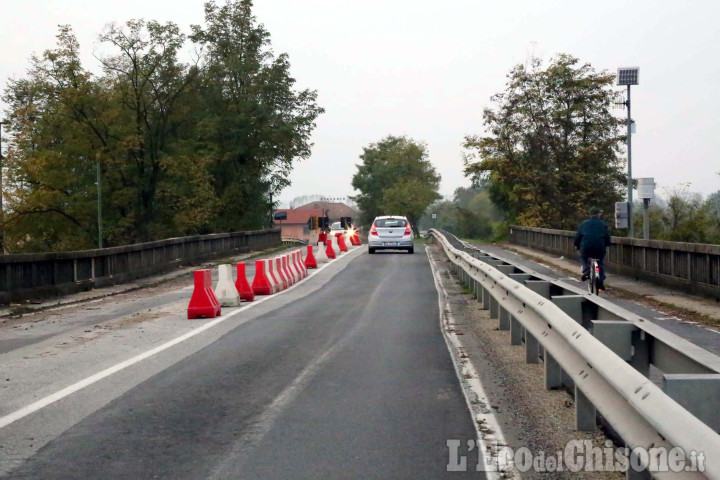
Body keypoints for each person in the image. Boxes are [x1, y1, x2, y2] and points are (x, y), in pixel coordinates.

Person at [574, 207, 611, 291]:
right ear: (598, 214)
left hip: (586, 247)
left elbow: (578, 236)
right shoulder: (603, 224)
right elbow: (607, 237)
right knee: (599, 262)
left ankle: (586, 270)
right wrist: (607, 244)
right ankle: (600, 280)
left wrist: (576, 245)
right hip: (599, 247)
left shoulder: (584, 223)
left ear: (590, 214)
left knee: (583, 257)